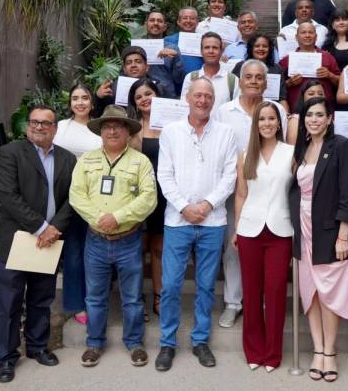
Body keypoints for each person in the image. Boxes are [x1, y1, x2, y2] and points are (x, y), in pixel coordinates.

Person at [154, 78, 238, 372]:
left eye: (208, 96)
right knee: (171, 285)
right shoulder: (171, 132)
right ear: (187, 98)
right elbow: (164, 175)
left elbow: (230, 176)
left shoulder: (226, 133)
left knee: (205, 286)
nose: (203, 100)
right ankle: (167, 342)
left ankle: (200, 340)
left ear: (214, 100)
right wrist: (184, 207)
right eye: (198, 95)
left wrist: (206, 205)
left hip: (213, 221)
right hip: (177, 222)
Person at [0, 106, 76, 383]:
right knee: (9, 301)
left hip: (50, 240)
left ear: (55, 128)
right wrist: (42, 227)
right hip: (18, 239)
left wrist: (55, 229)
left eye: (45, 123)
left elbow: (70, 199)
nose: (39, 127)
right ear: (28, 125)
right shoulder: (10, 153)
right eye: (34, 122)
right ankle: (5, 357)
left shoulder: (66, 158)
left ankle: (38, 346)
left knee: (42, 298)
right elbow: (8, 195)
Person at [69, 105, 158, 368]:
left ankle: (134, 343)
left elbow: (149, 199)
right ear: (101, 132)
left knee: (132, 297)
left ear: (128, 131)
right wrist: (99, 219)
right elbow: (77, 195)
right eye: (107, 126)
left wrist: (117, 217)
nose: (112, 130)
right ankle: (94, 343)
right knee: (95, 296)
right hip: (95, 240)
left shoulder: (140, 162)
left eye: (118, 126)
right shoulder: (86, 160)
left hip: (129, 241)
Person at [213, 60, 288, 329]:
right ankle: (233, 302)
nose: (254, 81)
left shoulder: (276, 109)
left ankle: (264, 302)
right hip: (236, 190)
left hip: (270, 191)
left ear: (266, 83)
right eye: (249, 77)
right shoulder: (224, 111)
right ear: (240, 81)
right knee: (234, 247)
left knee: (267, 248)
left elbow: (284, 148)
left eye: (259, 77)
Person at [289, 97, 348, 383]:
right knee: (311, 292)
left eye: (320, 115)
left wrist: (343, 235)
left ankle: (330, 352)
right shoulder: (302, 148)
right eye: (309, 115)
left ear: (330, 118)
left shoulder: (342, 146)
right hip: (303, 230)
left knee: (330, 294)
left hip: (331, 232)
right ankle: (317, 349)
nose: (314, 119)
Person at [232, 101, 295, 373]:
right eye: (262, 119)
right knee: (252, 292)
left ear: (279, 123)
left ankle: (272, 353)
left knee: (277, 292)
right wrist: (236, 228)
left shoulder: (291, 153)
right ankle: (254, 351)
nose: (267, 124)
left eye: (272, 119)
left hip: (281, 230)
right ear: (255, 124)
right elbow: (241, 194)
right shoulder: (246, 155)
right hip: (249, 230)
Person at [53, 85, 102, 326]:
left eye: (85, 98)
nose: (80, 102)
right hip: (65, 197)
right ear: (70, 103)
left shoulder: (99, 128)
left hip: (94, 197)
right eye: (75, 98)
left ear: (92, 103)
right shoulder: (60, 127)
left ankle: (95, 299)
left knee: (93, 252)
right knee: (73, 252)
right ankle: (75, 303)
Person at [126, 79, 168, 319]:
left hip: (165, 194)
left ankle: (159, 295)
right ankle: (135, 299)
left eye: (148, 93)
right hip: (139, 193)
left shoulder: (172, 124)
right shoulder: (132, 128)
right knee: (137, 247)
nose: (144, 99)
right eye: (139, 96)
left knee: (159, 248)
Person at [280, 21, 340, 113]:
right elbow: (277, 89)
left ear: (316, 37)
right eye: (303, 32)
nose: (307, 35)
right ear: (296, 37)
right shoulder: (286, 61)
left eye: (311, 32)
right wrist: (288, 83)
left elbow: (341, 84)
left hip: (324, 110)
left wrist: (330, 75)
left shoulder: (328, 57)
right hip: (295, 110)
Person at [94, 46, 172, 116]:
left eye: (138, 62)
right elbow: (98, 114)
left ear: (147, 67)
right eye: (129, 63)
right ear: (124, 69)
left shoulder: (159, 87)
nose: (133, 65)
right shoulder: (114, 88)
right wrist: (98, 97)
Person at [231, 33, 288, 111]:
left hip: (270, 112)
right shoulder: (240, 66)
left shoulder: (277, 69)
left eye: (265, 46)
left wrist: (285, 115)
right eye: (257, 46)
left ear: (270, 49)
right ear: (251, 48)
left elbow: (282, 98)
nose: (261, 49)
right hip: (243, 109)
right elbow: (232, 91)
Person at [180, 32, 239, 107]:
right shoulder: (190, 78)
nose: (211, 51)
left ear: (221, 51)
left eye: (215, 48)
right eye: (207, 47)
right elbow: (184, 106)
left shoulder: (233, 80)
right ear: (201, 51)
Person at [142, 11, 186, 96]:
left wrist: (176, 57)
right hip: (142, 97)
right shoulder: (137, 47)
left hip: (166, 98)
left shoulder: (172, 48)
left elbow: (179, 79)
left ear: (165, 26)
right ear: (145, 25)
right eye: (152, 20)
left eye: (159, 21)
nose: (155, 23)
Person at [164, 7, 204, 75]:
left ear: (197, 22)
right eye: (185, 18)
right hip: (174, 83)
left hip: (198, 82)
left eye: (192, 18)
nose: (188, 21)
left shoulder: (204, 41)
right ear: (178, 22)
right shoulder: (167, 41)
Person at [286, 79, 326, 145]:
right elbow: (292, 150)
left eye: (320, 94)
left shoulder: (328, 118)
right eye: (311, 94)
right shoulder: (295, 120)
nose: (316, 96)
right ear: (303, 97)